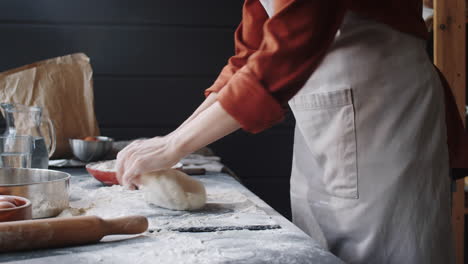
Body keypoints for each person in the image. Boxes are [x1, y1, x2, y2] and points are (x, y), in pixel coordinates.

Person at [116, 0, 468, 263]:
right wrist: (173, 140)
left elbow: (293, 42)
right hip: (325, 118)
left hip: (384, 110)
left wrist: (176, 145)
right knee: (317, 247)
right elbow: (251, 58)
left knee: (387, 252)